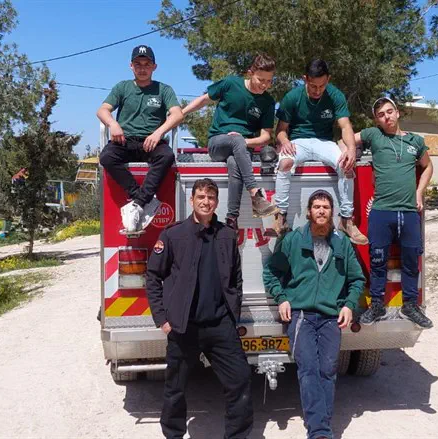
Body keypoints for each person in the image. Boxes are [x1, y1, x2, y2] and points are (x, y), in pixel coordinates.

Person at [146, 178, 253, 439]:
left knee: (239, 381)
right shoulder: (174, 234)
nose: (206, 201)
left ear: (217, 202)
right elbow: (152, 276)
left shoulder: (227, 235)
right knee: (175, 388)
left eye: (211, 197)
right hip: (184, 327)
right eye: (201, 197)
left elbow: (235, 279)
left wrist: (232, 315)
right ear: (192, 200)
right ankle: (173, 434)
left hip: (220, 326)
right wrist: (162, 318)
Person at [263, 190, 365, 439]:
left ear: (332, 213)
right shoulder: (293, 240)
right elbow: (271, 273)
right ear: (308, 212)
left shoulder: (342, 243)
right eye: (316, 206)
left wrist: (349, 305)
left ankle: (321, 425)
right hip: (301, 317)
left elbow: (357, 279)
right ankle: (320, 431)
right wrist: (282, 298)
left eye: (326, 207)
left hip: (331, 317)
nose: (321, 211)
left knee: (327, 370)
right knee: (308, 369)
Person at [347, 97, 434, 328]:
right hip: (381, 211)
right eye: (381, 115)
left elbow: (427, 166)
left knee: (410, 261)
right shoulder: (374, 135)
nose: (387, 117)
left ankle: (410, 306)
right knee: (378, 261)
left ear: (397, 113)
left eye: (389, 112)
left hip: (408, 212)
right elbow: (345, 137)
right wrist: (347, 153)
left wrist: (419, 192)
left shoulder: (416, 141)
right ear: (377, 120)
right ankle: (377, 305)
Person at [270, 59, 368, 245]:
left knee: (346, 166)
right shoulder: (292, 97)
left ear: (328, 79)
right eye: (313, 86)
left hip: (325, 142)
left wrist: (351, 150)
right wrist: (284, 141)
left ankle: (346, 220)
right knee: (284, 163)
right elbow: (280, 130)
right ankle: (280, 218)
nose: (317, 90)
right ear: (305, 79)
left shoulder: (335, 96)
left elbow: (345, 126)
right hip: (298, 142)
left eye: (322, 86)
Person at [182, 54, 279, 229]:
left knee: (235, 163)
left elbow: (265, 137)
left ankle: (232, 219)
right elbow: (204, 100)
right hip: (218, 143)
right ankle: (255, 194)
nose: (264, 85)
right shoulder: (230, 84)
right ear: (250, 73)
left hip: (242, 148)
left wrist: (245, 141)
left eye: (269, 81)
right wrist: (181, 113)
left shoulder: (268, 102)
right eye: (260, 79)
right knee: (236, 141)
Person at [97, 44, 182, 233]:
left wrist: (158, 133)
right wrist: (113, 124)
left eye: (147, 64)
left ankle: (136, 204)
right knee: (106, 157)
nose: (142, 68)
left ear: (154, 67)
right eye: (138, 64)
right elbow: (102, 110)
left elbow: (177, 114)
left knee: (167, 156)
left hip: (152, 142)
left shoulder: (164, 90)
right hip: (124, 141)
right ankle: (143, 200)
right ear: (131, 66)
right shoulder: (122, 87)